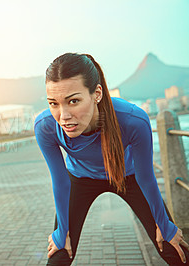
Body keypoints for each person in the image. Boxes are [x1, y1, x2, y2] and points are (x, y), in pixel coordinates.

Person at [34, 52, 189, 265]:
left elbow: (146, 178)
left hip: (129, 176)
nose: (63, 115)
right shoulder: (45, 127)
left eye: (74, 101)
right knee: (60, 251)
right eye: (54, 103)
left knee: (171, 246)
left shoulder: (133, 120)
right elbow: (60, 182)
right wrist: (61, 232)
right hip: (80, 179)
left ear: (96, 94)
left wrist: (164, 225)